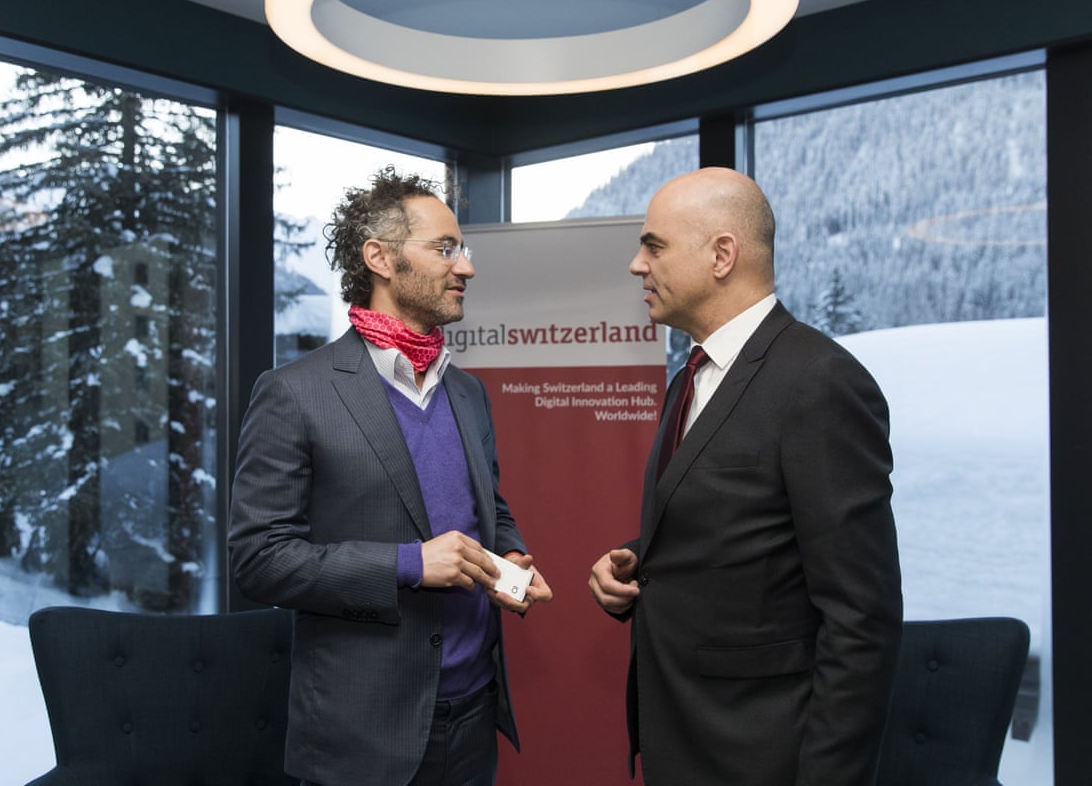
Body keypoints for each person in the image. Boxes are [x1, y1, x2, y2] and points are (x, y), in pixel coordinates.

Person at [229, 166, 552, 786]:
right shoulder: (294, 394)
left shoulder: (468, 393)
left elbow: (488, 508)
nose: (467, 267)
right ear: (379, 257)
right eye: (445, 249)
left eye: (464, 249)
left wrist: (508, 559)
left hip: (475, 710)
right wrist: (408, 565)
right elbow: (258, 560)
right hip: (365, 732)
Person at [589, 167, 902, 786]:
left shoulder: (820, 382)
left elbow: (861, 617)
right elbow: (740, 529)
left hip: (763, 755)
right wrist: (634, 562)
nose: (635, 265)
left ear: (722, 255)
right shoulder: (690, 377)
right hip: (682, 738)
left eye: (653, 246)